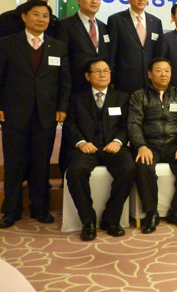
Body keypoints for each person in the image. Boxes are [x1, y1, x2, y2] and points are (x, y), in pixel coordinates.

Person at [0, 0, 71, 228]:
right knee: (14, 163)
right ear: (24, 17)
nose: (41, 19)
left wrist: (62, 107)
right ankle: (11, 210)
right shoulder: (7, 44)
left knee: (41, 163)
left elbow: (64, 82)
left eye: (45, 16)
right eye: (36, 14)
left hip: (46, 115)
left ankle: (40, 207)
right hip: (14, 114)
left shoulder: (57, 47)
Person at [64, 59, 135, 241]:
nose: (103, 74)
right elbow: (70, 125)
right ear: (87, 76)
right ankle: (88, 221)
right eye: (97, 71)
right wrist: (81, 143)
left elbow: (127, 125)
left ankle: (111, 219)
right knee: (75, 171)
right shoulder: (76, 98)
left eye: (106, 71)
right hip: (86, 148)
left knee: (129, 167)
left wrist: (118, 142)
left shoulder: (122, 98)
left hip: (113, 147)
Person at [128, 58, 177, 234]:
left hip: (174, 145)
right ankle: (151, 213)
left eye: (167, 70)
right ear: (150, 74)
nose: (164, 74)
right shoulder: (139, 96)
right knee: (143, 164)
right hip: (149, 145)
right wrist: (141, 146)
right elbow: (134, 124)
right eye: (159, 70)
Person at [55, 0, 111, 177]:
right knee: (72, 133)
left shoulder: (104, 27)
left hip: (99, 88)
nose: (94, 1)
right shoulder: (65, 25)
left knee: (97, 127)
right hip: (76, 87)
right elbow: (62, 61)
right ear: (79, 0)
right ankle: (66, 173)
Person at [108, 0, 163, 94]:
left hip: (150, 82)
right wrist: (111, 79)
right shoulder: (116, 20)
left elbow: (158, 53)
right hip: (124, 82)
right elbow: (111, 52)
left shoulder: (156, 22)